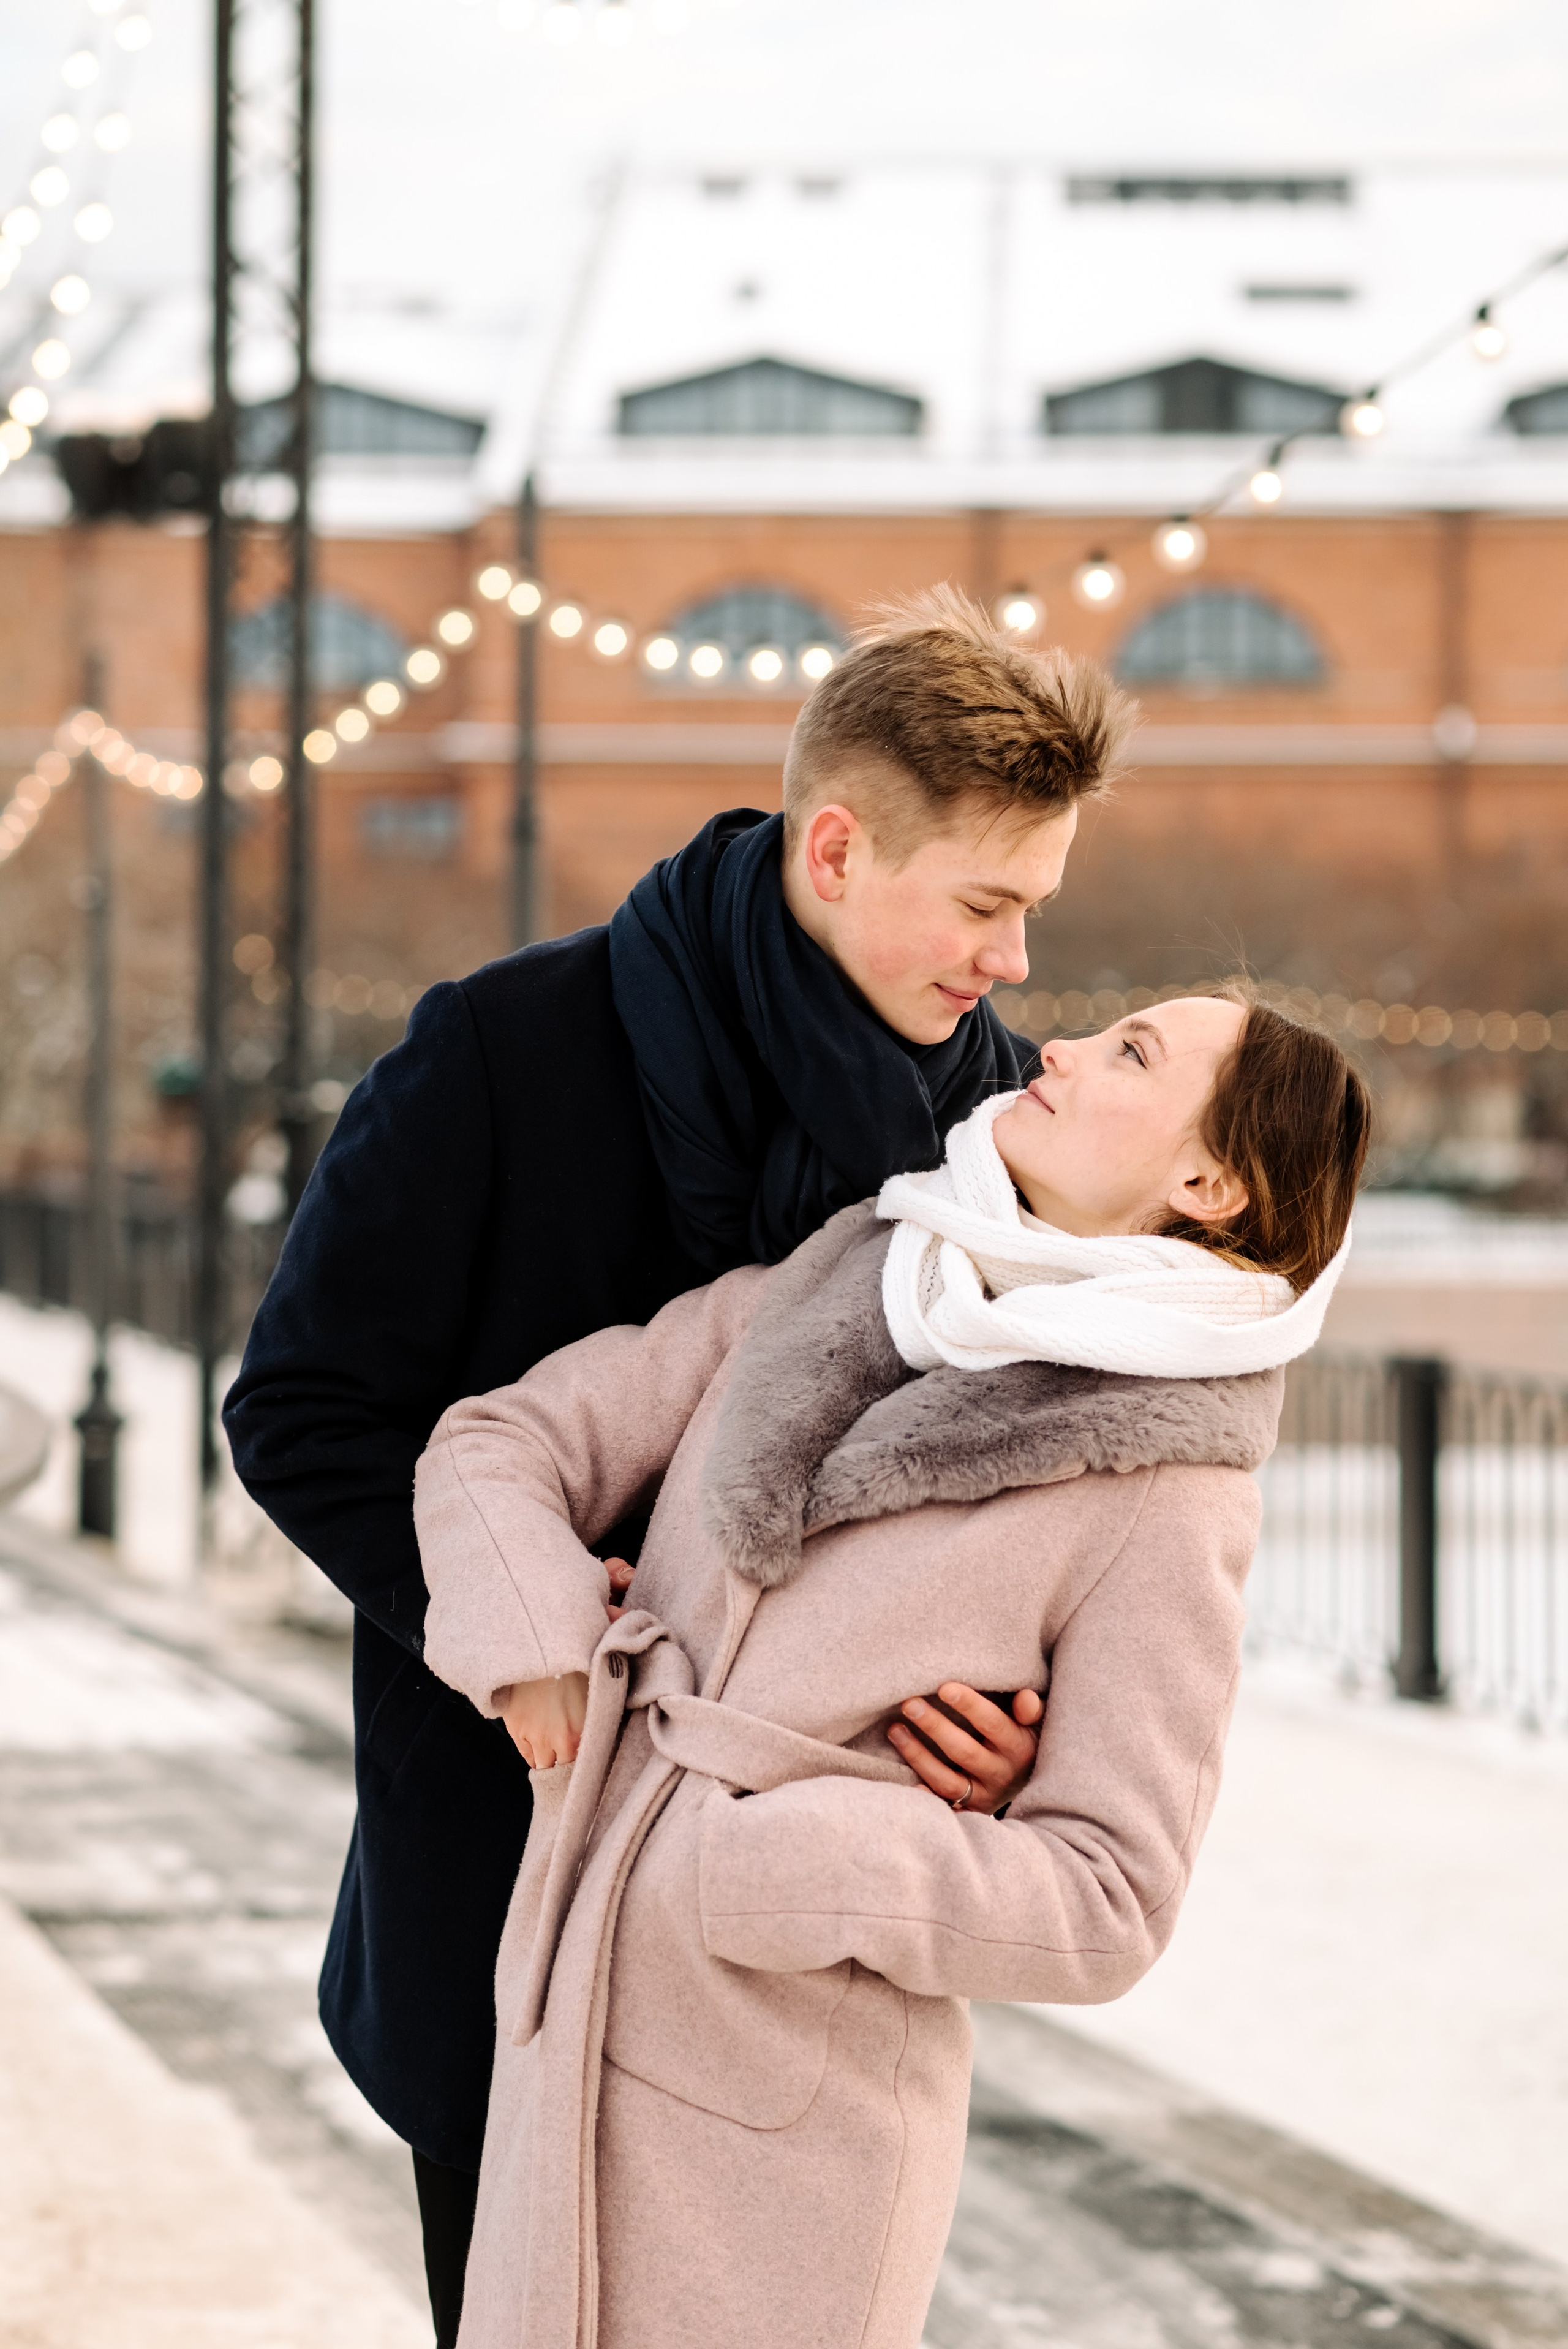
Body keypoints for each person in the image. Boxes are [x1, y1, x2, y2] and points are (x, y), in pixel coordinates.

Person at [221, 586, 1133, 2341]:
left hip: (793, 1946)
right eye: (988, 903)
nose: (1012, 961)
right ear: (841, 846)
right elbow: (302, 1408)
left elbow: (1018, 1501)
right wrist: (509, 1616)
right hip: (515, 1881)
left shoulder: (996, 1129)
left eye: (1034, 909)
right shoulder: (502, 1050)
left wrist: (1003, 1716)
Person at [414, 992, 1371, 2349]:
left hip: (793, 2150)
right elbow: (494, 1445)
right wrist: (535, 1646)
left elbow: (1107, 1897)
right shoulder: (837, 1279)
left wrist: (773, 1864)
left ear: (1206, 1182)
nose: (1062, 1046)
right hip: (562, 2041)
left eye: (1131, 1056)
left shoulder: (1166, 1480)